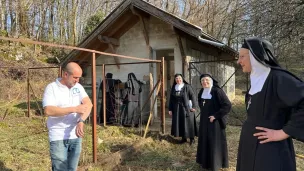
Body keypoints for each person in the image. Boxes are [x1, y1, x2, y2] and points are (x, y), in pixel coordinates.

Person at [236, 37, 304, 171]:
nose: (239, 61)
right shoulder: (256, 79)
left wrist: (284, 132)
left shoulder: (279, 78)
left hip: (270, 150)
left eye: (242, 56)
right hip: (249, 147)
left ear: (255, 56)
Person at [43, 62, 92, 171]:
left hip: (75, 136)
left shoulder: (78, 87)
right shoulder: (52, 88)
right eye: (75, 77)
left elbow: (89, 104)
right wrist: (74, 109)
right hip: (58, 136)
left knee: (72, 169)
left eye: (79, 78)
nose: (77, 80)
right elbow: (48, 110)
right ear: (65, 74)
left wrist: (81, 120)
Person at [196, 74, 231, 171]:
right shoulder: (201, 91)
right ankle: (205, 162)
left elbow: (227, 105)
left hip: (215, 122)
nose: (204, 82)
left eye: (206, 80)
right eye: (202, 80)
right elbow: (200, 102)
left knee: (214, 143)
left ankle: (215, 164)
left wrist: (216, 115)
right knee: (205, 141)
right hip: (204, 121)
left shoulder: (217, 91)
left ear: (211, 81)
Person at [168, 73, 197, 145]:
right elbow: (171, 99)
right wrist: (170, 109)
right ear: (175, 80)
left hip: (187, 108)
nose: (178, 80)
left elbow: (193, 96)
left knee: (189, 123)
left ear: (182, 79)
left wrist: (194, 106)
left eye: (179, 78)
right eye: (176, 78)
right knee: (181, 123)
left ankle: (192, 139)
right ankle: (184, 138)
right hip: (177, 109)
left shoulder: (187, 87)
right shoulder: (174, 87)